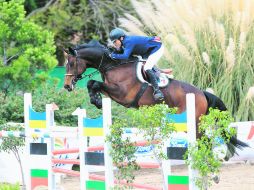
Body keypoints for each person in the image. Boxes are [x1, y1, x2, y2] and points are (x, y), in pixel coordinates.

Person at [109, 28, 164, 101]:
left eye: (115, 41)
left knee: (147, 68)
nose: (114, 44)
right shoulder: (125, 42)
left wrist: (114, 55)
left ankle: (157, 91)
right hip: (147, 51)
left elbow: (125, 56)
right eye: (113, 42)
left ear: (121, 38)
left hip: (157, 49)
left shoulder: (128, 42)